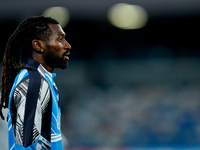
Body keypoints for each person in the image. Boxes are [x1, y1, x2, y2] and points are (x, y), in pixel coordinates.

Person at [0, 16, 71, 150]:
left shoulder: (41, 80)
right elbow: (24, 147)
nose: (67, 45)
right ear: (38, 45)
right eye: (60, 39)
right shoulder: (34, 84)